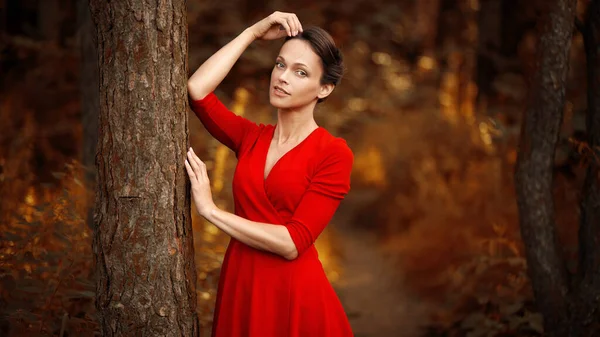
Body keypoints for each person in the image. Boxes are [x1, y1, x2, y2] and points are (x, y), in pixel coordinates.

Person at [184, 11, 354, 337]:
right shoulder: (250, 137)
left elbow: (293, 243)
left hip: (293, 295)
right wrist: (252, 32)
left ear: (325, 90)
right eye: (280, 64)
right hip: (241, 284)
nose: (282, 77)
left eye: (300, 72)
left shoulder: (333, 154)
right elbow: (198, 90)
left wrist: (210, 211)